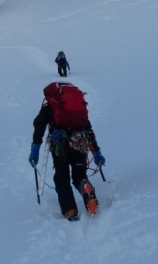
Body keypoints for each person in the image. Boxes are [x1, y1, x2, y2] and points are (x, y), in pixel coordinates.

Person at [28, 82, 106, 221]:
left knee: (61, 176)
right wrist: (97, 153)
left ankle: (70, 210)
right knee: (79, 175)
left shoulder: (50, 106)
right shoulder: (78, 110)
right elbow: (88, 130)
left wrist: (35, 149)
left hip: (60, 145)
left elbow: (38, 127)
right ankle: (84, 186)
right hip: (80, 141)